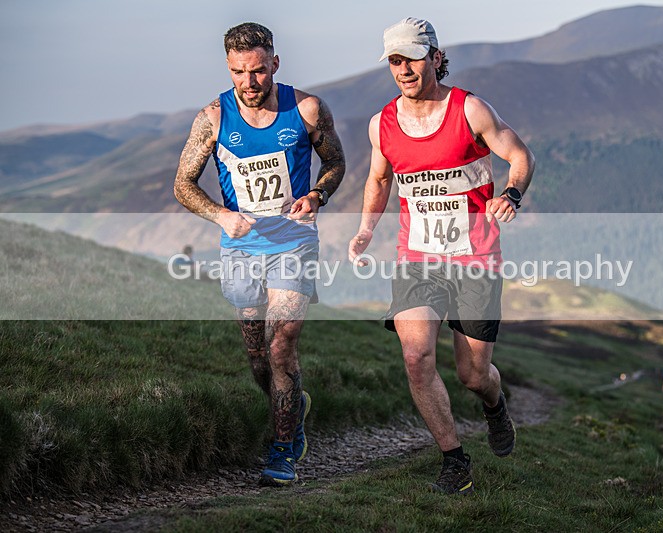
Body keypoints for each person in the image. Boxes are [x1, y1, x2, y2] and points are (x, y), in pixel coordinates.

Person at [348, 18, 535, 495]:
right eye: (394, 60)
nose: (404, 69)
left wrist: (510, 195)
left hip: (475, 258)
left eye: (412, 57)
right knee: (416, 357)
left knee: (473, 375)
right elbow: (379, 179)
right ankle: (455, 460)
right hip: (418, 258)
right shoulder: (382, 124)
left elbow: (519, 155)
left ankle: (495, 407)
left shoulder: (469, 110)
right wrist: (367, 227)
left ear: (434, 55)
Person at [173, 22, 345, 486]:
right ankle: (294, 407)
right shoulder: (213, 119)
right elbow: (183, 185)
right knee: (256, 357)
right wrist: (221, 216)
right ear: (228, 69)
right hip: (241, 246)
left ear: (274, 64)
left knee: (280, 344)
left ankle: (283, 448)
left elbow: (335, 163)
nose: (249, 83)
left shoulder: (306, 109)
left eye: (258, 71)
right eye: (238, 72)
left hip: (294, 241)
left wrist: (317, 196)